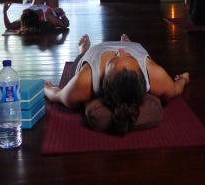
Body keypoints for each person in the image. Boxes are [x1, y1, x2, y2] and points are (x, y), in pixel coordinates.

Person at [44, 33, 190, 135]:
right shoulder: (155, 74)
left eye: (115, 59)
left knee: (81, 59)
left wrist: (46, 88)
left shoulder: (84, 81)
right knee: (129, 49)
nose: (120, 50)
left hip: (94, 55)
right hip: (134, 48)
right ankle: (130, 46)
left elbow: (57, 94)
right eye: (124, 55)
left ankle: (84, 51)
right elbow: (177, 88)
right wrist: (184, 78)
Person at [3, 0, 69, 34]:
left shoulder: (25, 19)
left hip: (36, 5)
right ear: (37, 15)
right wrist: (62, 13)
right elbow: (65, 24)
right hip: (50, 9)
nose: (24, 10)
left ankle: (36, 4)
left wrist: (4, 12)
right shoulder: (48, 17)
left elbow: (9, 26)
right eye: (26, 11)